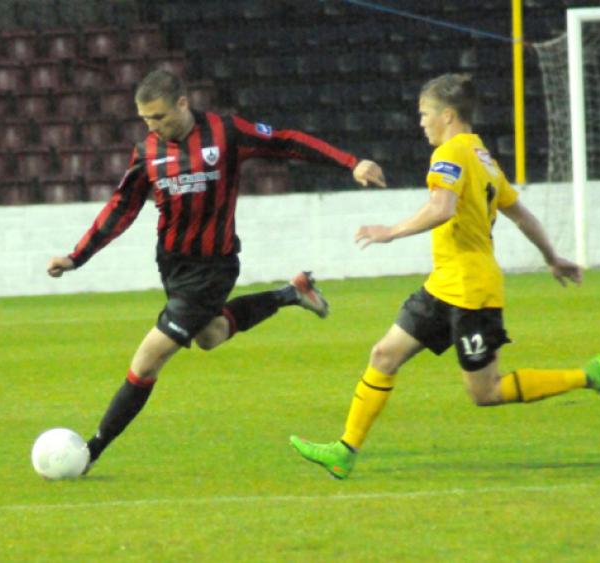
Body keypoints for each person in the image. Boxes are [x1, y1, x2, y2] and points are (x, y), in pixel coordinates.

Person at [289, 73, 600, 480]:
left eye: (424, 114)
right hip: (444, 284)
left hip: (471, 292)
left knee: (485, 393)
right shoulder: (481, 155)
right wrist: (552, 257)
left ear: (447, 115)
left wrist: (391, 231)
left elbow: (442, 208)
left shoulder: (450, 153)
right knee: (384, 355)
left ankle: (592, 375)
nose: (421, 123)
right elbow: (520, 214)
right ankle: (344, 451)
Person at [47, 69, 386, 473]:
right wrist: (76, 257)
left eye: (158, 117)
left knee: (147, 360)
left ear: (183, 104)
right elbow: (122, 208)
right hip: (173, 266)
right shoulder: (148, 151)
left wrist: (351, 163)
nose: (152, 127)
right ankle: (291, 293)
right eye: (145, 120)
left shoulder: (226, 133)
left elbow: (285, 141)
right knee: (210, 336)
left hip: (213, 268)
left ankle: (90, 451)